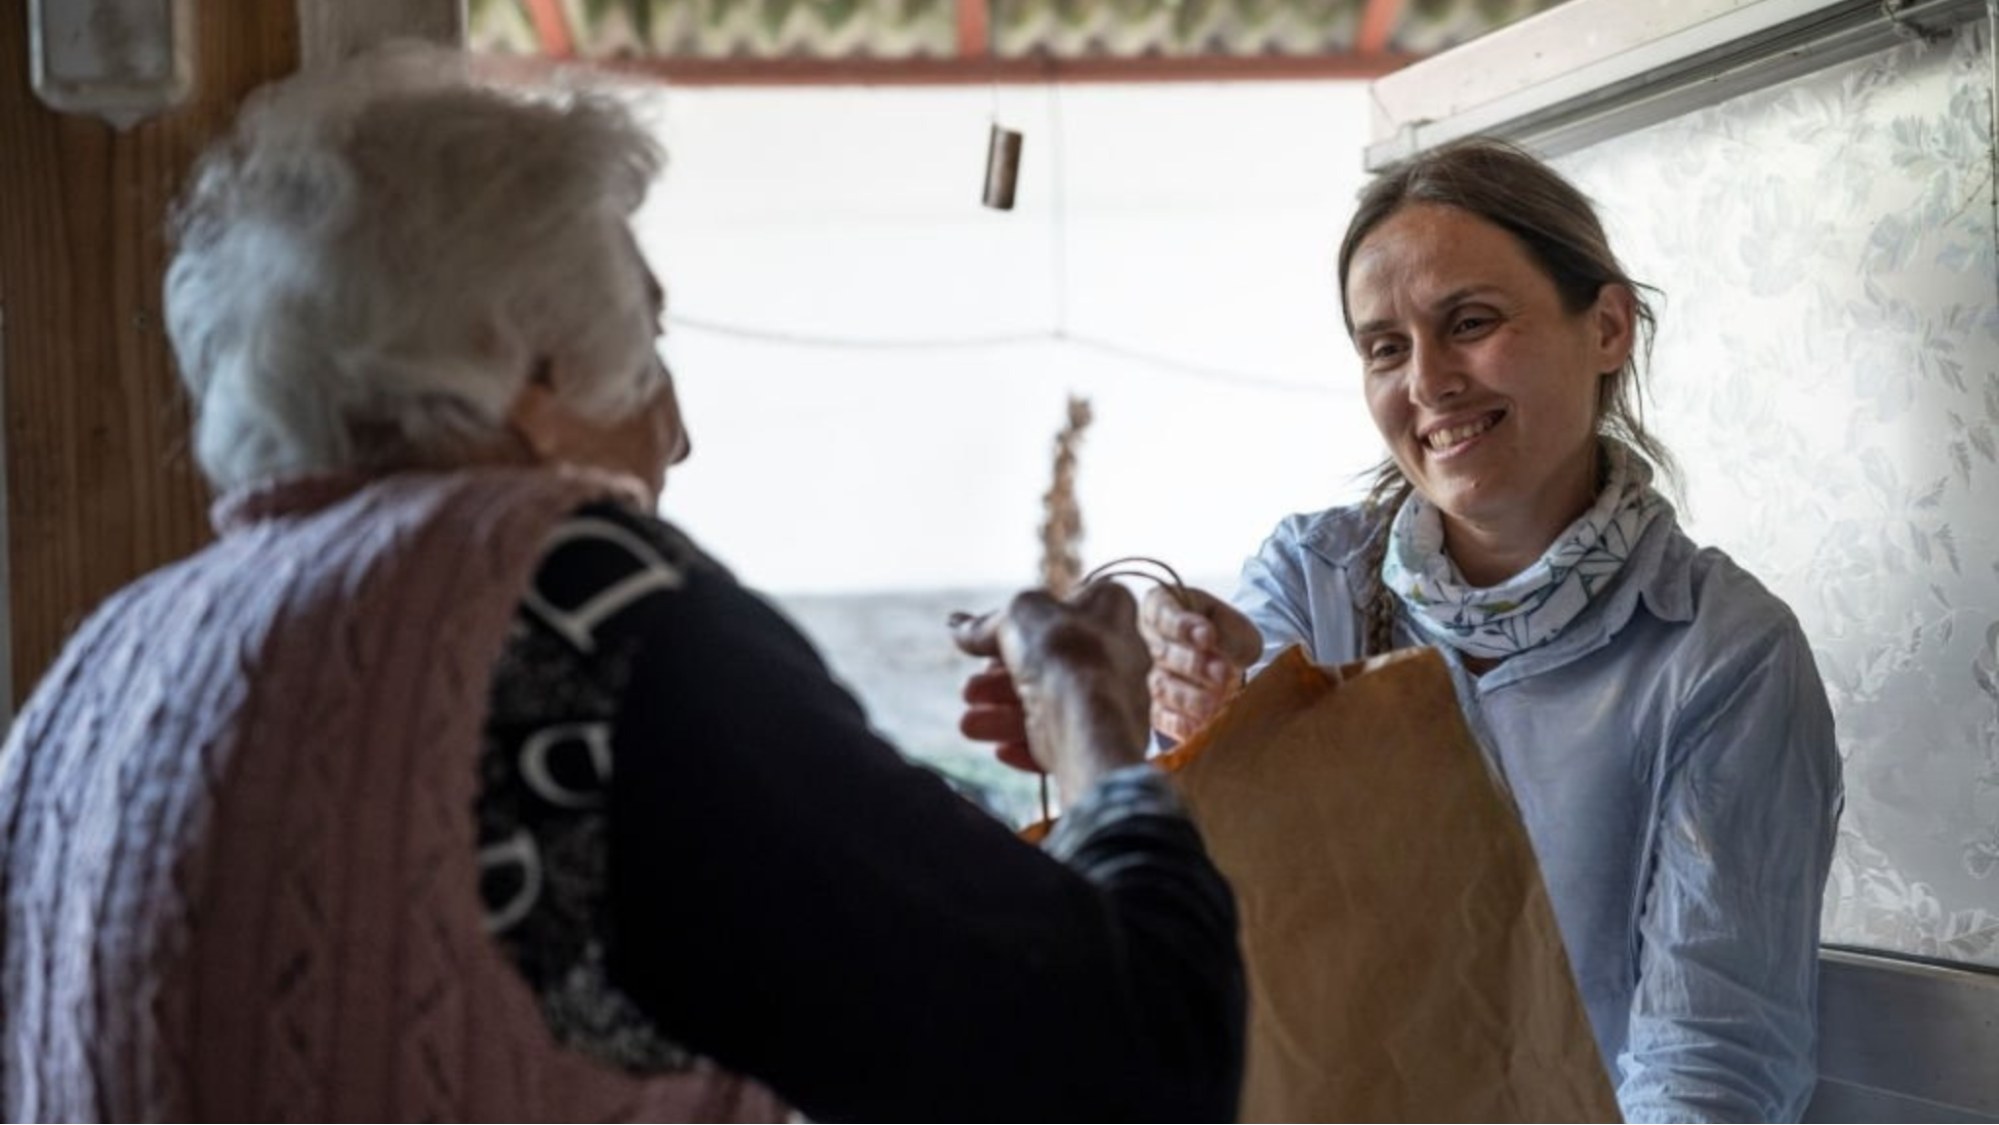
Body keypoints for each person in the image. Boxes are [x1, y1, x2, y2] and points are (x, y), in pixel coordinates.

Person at [0, 46, 1243, 1125]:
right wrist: (1093, 716)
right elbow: (1139, 1070)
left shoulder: (98, 670)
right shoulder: (577, 604)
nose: (680, 433)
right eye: (648, 350)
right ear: (529, 369)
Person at [1129, 138, 1842, 1123]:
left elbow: (1710, 1066)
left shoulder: (1722, 652)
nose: (1427, 381)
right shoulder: (1311, 581)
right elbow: (1210, 927)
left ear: (1606, 327)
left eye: (1468, 323)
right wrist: (1199, 712)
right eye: (1384, 346)